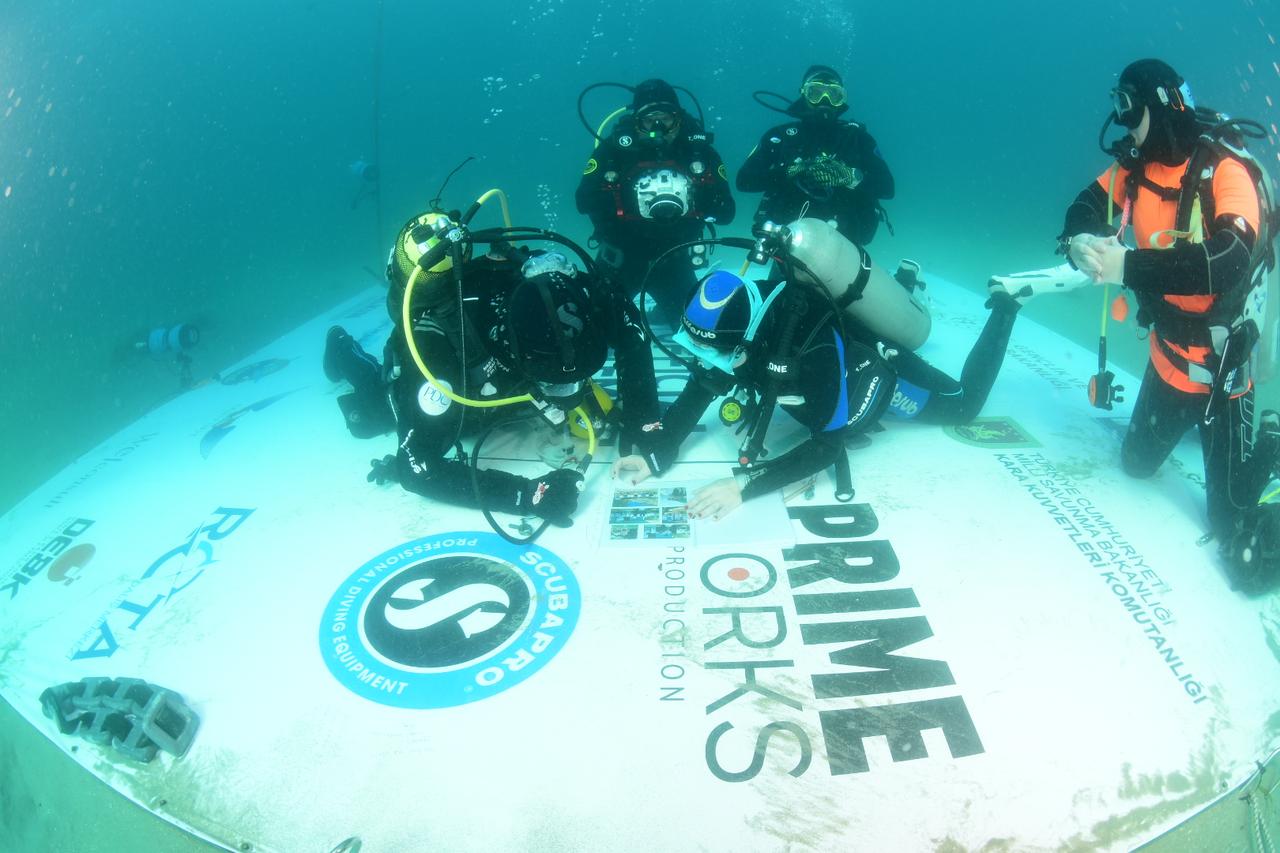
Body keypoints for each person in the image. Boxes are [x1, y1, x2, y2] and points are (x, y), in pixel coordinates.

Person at [1060, 58, 1279, 590]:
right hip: (1166, 361)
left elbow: (1230, 255)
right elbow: (1086, 204)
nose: (1121, 123)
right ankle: (1193, 429)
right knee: (1135, 465)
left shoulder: (1224, 169)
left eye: (1128, 108)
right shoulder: (1132, 168)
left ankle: (1270, 439)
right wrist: (1078, 243)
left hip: (1224, 377)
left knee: (1228, 525)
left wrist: (1126, 266)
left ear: (1156, 106)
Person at [611, 261, 1046, 521]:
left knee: (961, 408)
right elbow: (703, 384)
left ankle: (1006, 305)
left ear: (747, 337)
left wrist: (742, 485)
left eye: (714, 349)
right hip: (800, 378)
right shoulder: (736, 326)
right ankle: (904, 283)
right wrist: (658, 451)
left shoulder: (810, 346)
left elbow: (827, 446)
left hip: (867, 371)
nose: (708, 359)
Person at [325, 210, 660, 528]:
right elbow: (416, 467)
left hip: (512, 380)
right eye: (554, 380)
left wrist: (642, 417)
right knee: (378, 410)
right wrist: (528, 495)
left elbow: (631, 330)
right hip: (464, 391)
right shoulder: (435, 344)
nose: (564, 390)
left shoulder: (566, 288)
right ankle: (342, 349)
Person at [575, 78, 736, 326]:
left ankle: (660, 312)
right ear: (635, 122)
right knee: (594, 329)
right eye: (648, 119)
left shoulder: (699, 152)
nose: (658, 126)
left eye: (666, 118)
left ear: (679, 119)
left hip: (674, 263)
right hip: (620, 262)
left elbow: (726, 213)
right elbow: (582, 201)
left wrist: (702, 195)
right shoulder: (613, 151)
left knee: (696, 332)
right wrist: (614, 196)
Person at [737, 65, 894, 247]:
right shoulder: (780, 136)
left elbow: (888, 188)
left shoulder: (859, 140)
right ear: (803, 93)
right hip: (786, 241)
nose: (824, 100)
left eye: (833, 95)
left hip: (844, 244)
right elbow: (744, 181)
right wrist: (789, 172)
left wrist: (851, 177)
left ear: (841, 99)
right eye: (815, 92)